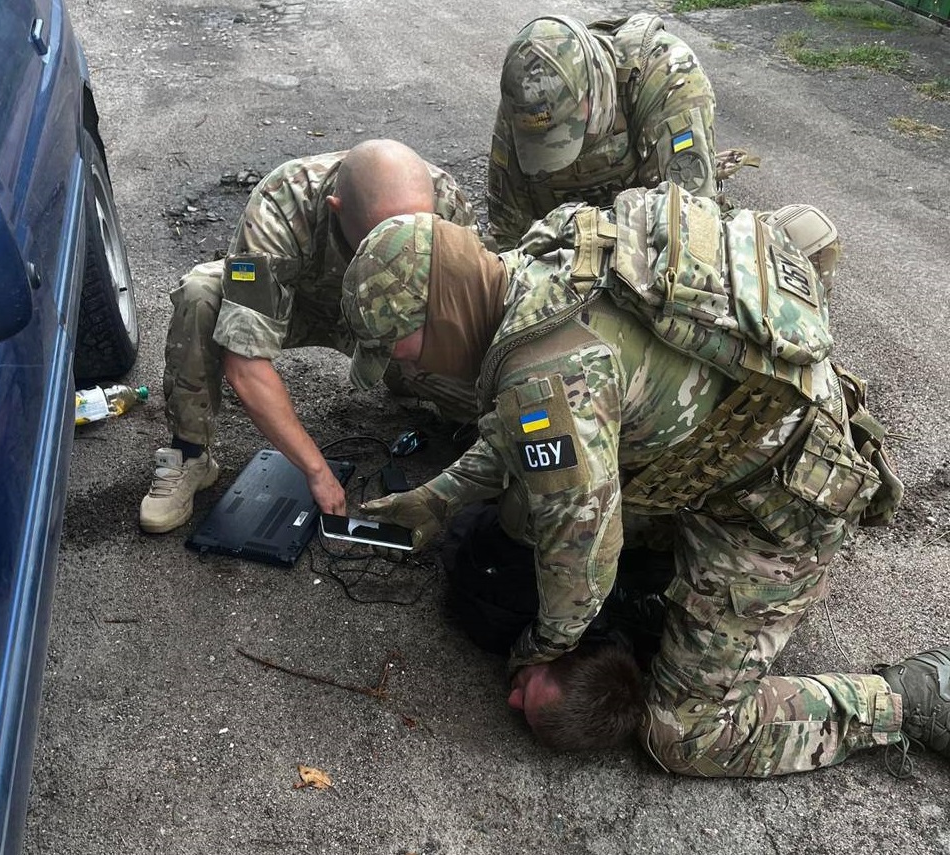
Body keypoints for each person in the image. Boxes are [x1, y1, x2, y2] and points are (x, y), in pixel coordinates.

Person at [336, 184, 950, 779]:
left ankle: (911, 698)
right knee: (530, 504)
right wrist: (438, 500)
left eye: (398, 345)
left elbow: (583, 561)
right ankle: (671, 598)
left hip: (775, 515)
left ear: (442, 309)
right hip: (729, 444)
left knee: (686, 735)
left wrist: (539, 649)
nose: (403, 364)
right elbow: (525, 432)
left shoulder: (544, 376)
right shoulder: (534, 265)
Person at [139, 139, 482, 534]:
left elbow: (476, 316)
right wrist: (316, 470)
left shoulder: (444, 201)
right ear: (337, 208)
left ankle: (433, 400)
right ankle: (190, 453)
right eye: (377, 238)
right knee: (201, 293)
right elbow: (245, 363)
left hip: (387, 321)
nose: (394, 254)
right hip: (297, 306)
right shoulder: (281, 201)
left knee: (485, 399)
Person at [487, 13, 721, 251]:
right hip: (560, 253)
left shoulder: (668, 75)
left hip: (646, 250)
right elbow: (507, 231)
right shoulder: (526, 102)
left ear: (595, 93)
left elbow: (692, 230)